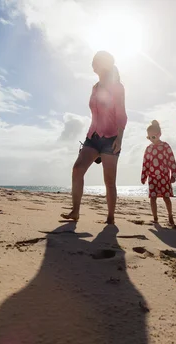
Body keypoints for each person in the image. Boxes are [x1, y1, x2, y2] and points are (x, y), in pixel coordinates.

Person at [61, 51, 127, 224]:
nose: (93, 64)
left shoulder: (117, 87)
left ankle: (110, 217)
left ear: (104, 64)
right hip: (93, 136)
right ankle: (75, 211)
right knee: (77, 169)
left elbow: (121, 114)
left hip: (110, 138)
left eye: (95, 61)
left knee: (109, 180)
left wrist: (119, 138)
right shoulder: (95, 87)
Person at [141, 120, 176, 226]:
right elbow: (145, 163)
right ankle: (155, 218)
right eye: (149, 138)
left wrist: (173, 174)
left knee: (166, 197)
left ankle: (170, 216)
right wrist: (144, 176)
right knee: (153, 198)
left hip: (164, 177)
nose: (151, 140)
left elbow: (172, 160)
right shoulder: (149, 148)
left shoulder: (165, 146)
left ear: (159, 134)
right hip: (152, 177)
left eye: (153, 137)